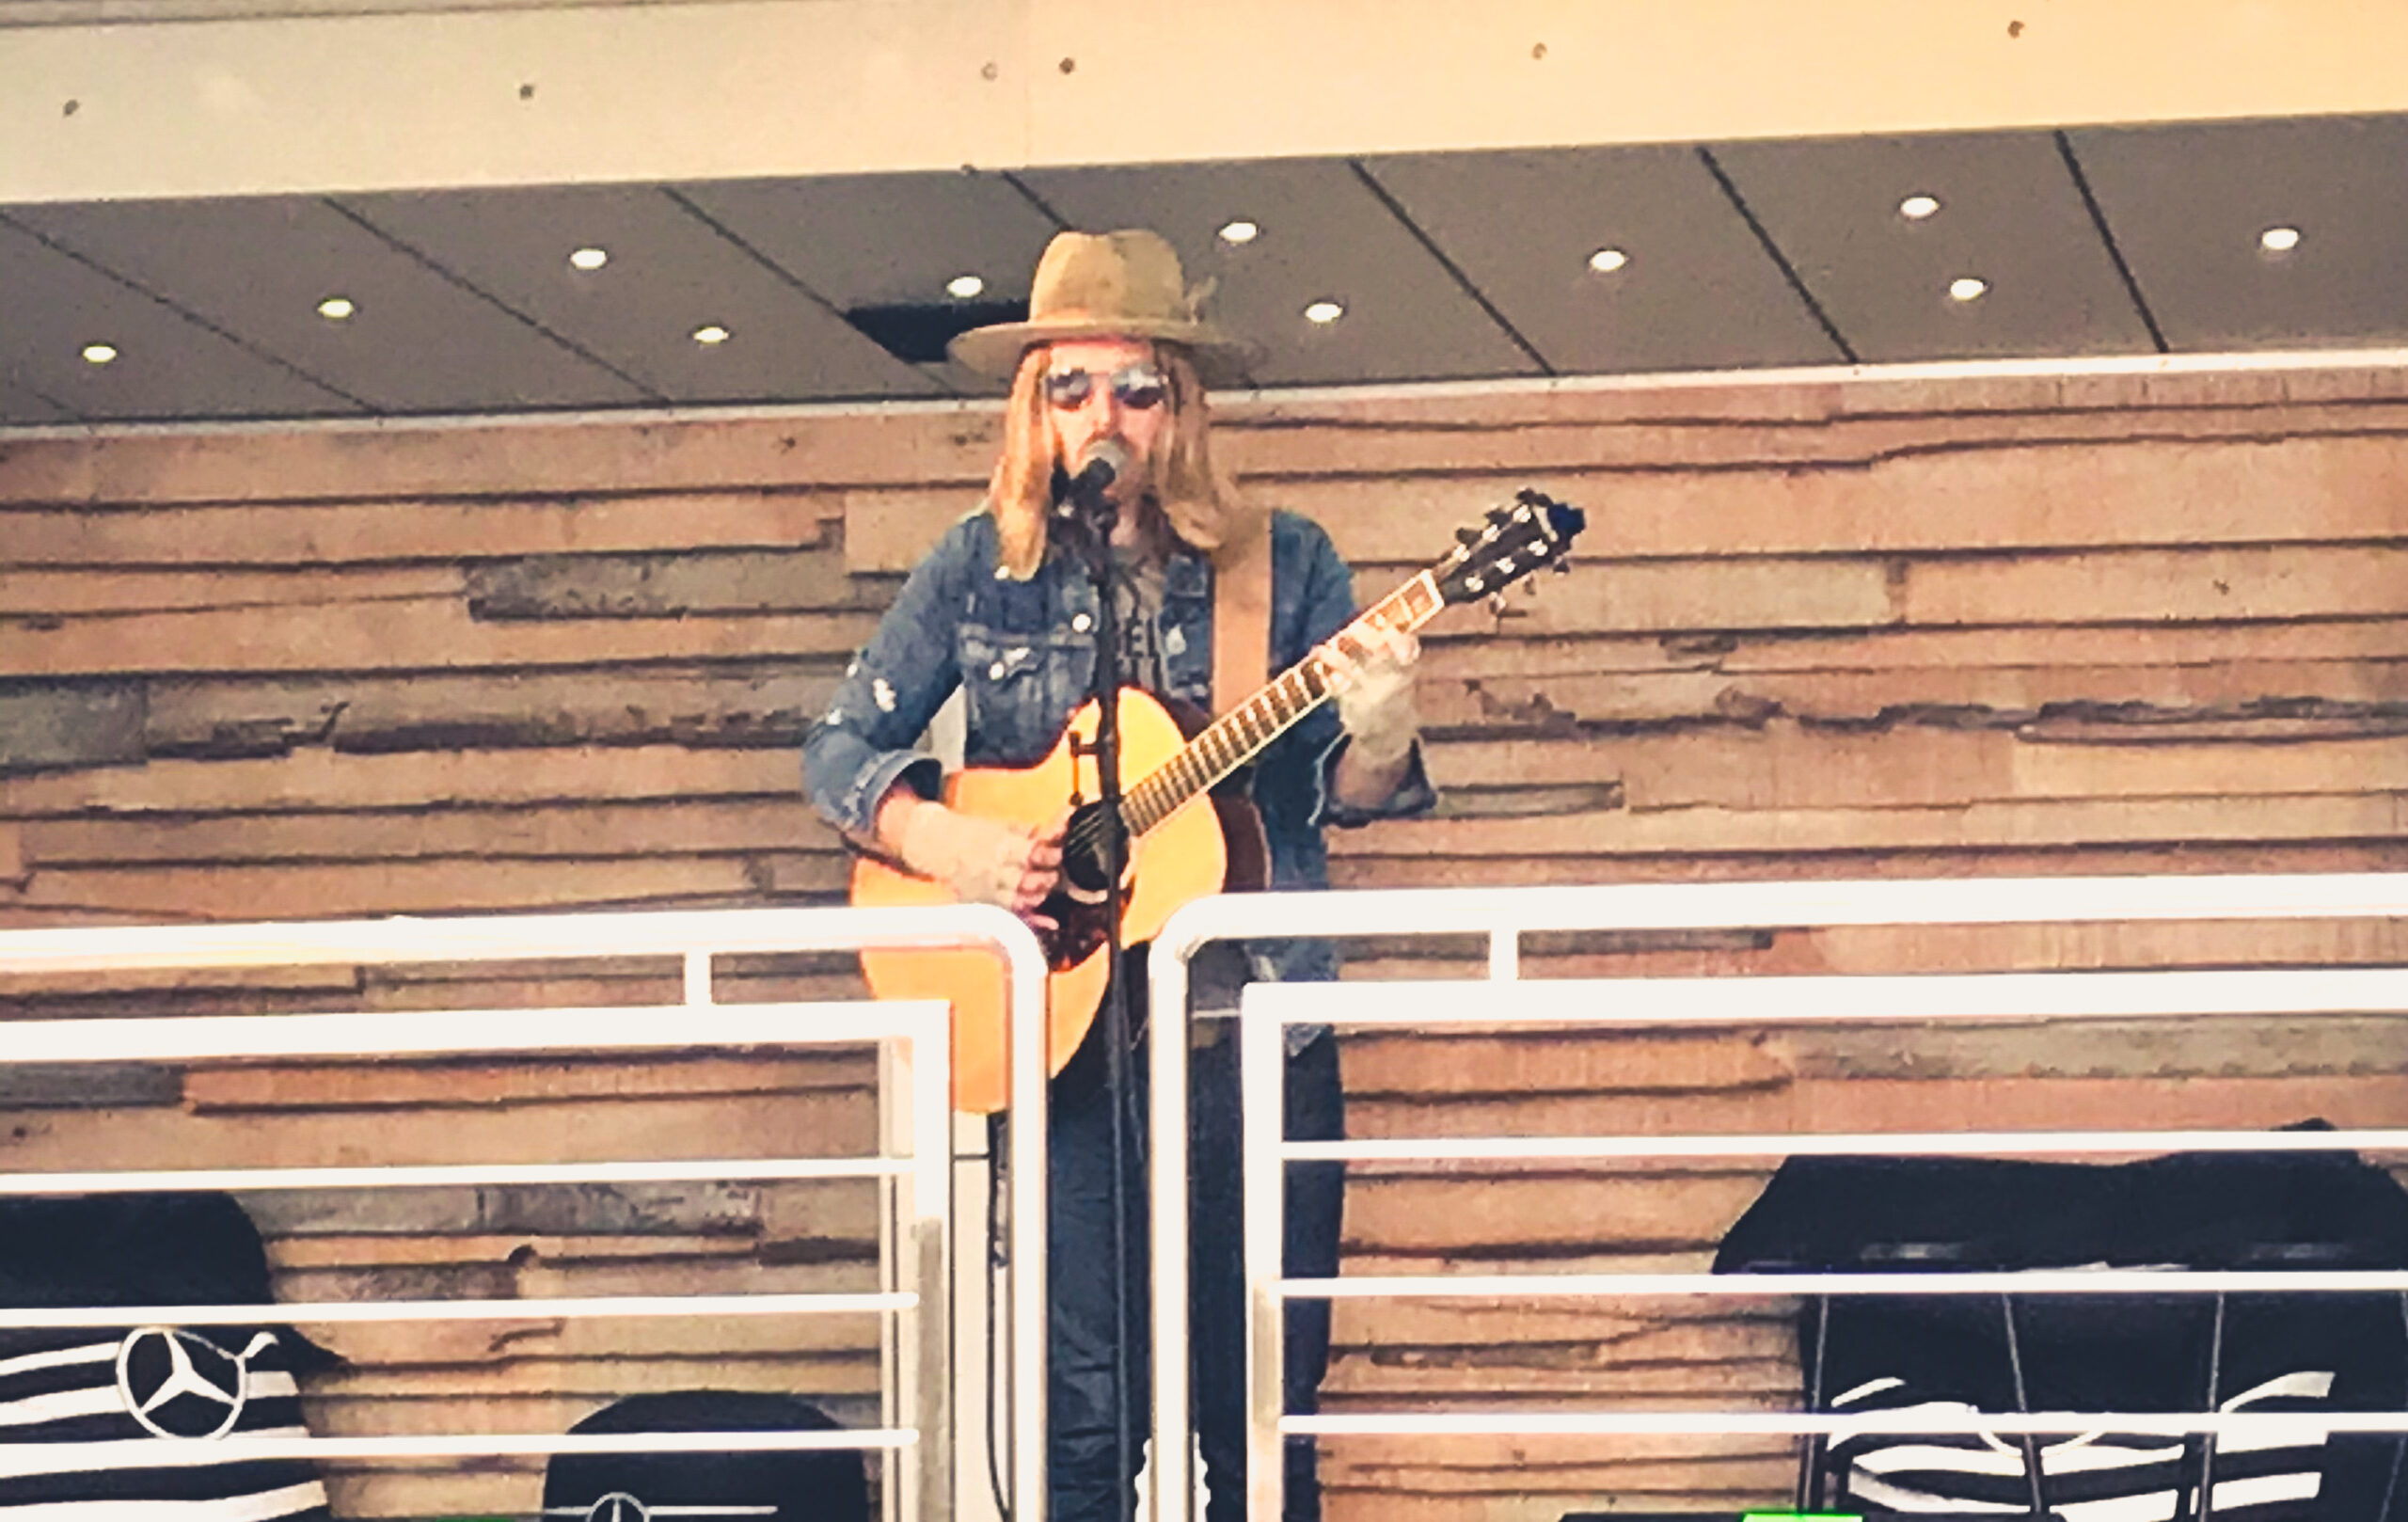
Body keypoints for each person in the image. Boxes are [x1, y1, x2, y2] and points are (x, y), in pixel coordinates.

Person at [800, 228, 1434, 1522]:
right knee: (1083, 1427)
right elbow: (836, 751)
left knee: (1257, 1429)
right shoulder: (979, 566)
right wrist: (951, 845)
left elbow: (1346, 801)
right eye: (1071, 387)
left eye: (1137, 388)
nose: (1105, 417)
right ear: (1031, 407)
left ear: (1180, 410)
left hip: (1249, 1041)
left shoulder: (1285, 562)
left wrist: (1379, 726)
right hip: (1070, 1048)